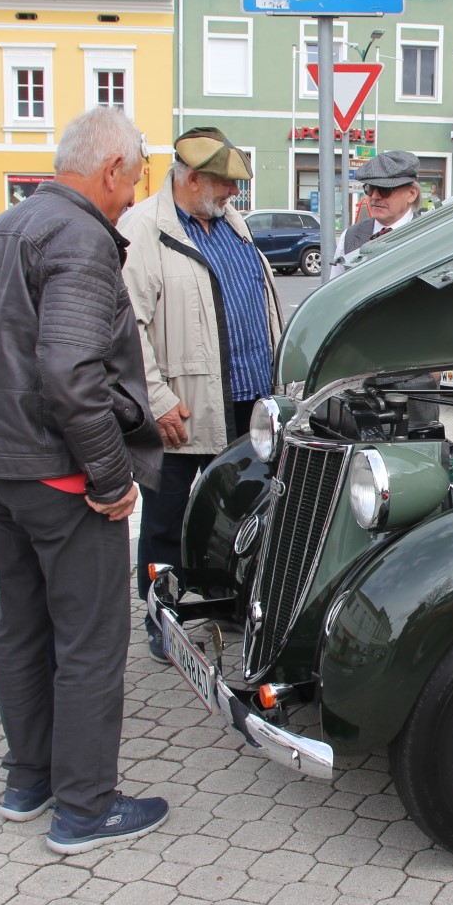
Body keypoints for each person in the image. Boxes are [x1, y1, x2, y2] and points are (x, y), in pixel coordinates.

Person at [0, 107, 168, 855]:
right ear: (108, 170)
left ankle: (27, 780)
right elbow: (72, 374)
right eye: (132, 181)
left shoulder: (0, 229)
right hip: (64, 476)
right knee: (90, 642)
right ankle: (85, 808)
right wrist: (109, 476)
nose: (132, 198)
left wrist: (10, 412)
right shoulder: (79, 238)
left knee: (21, 625)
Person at [119, 127, 284, 659]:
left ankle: (225, 608)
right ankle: (161, 621)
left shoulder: (229, 223)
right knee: (167, 523)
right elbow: (127, 328)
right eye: (224, 183)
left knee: (235, 516)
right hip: (182, 405)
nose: (233, 193)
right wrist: (157, 398)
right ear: (191, 179)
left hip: (245, 399)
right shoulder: (143, 228)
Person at [340, 149, 439, 434]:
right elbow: (334, 300)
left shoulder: (432, 234)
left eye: (384, 189)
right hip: (359, 378)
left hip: (415, 378)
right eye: (370, 188)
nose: (374, 197)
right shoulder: (352, 237)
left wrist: (435, 367)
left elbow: (444, 303)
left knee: (418, 456)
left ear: (411, 193)